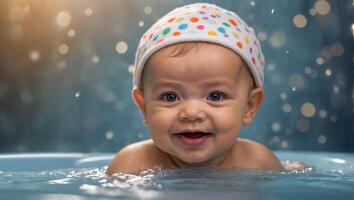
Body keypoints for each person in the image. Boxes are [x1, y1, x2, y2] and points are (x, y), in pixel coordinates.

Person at [107, 2, 285, 175]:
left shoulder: (258, 163)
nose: (192, 113)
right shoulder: (132, 166)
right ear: (144, 106)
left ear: (249, 106)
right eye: (170, 97)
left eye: (215, 96)